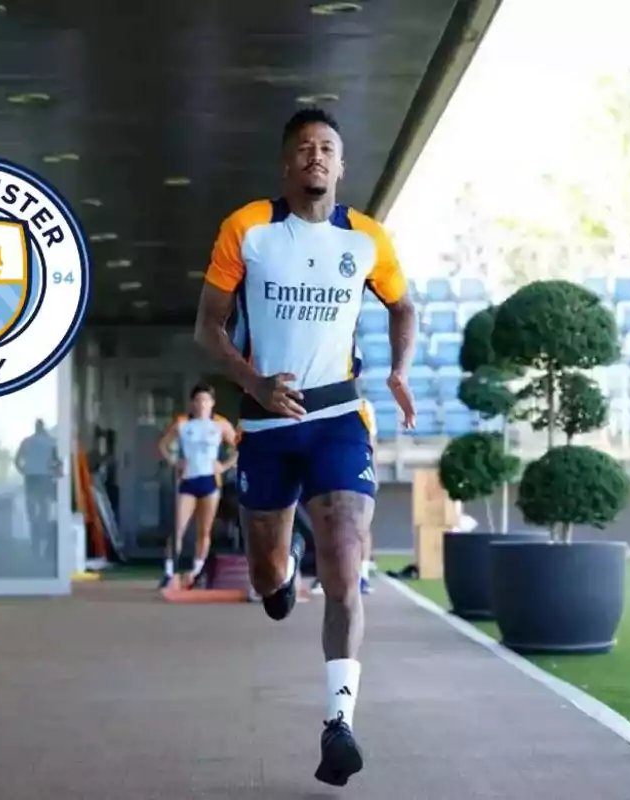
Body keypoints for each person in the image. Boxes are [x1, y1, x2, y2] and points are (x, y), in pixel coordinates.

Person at [193, 107, 417, 787]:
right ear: (287, 164)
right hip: (265, 425)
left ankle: (338, 724)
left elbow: (403, 306)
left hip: (338, 418)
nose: (316, 157)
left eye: (328, 149)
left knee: (346, 564)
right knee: (265, 575)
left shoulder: (368, 240)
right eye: (304, 149)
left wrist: (398, 370)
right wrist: (251, 380)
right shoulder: (248, 229)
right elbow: (208, 325)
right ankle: (280, 576)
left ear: (341, 166)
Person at [156, 384, 238, 589]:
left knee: (205, 530)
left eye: (206, 400)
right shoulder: (183, 423)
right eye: (198, 400)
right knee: (178, 529)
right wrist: (175, 462)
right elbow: (163, 446)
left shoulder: (220, 424)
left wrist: (224, 465)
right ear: (193, 403)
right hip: (188, 481)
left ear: (212, 403)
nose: (202, 404)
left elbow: (240, 447)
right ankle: (169, 571)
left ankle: (196, 570)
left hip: (210, 482)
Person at [311, 392, 377, 597]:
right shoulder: (320, 399)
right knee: (324, 522)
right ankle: (325, 576)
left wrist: (374, 471)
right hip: (326, 463)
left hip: (357, 464)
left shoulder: (364, 406)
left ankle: (363, 576)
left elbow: (372, 442)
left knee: (360, 525)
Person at [13, 419, 62, 558]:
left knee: (32, 513)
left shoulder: (27, 442)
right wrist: (55, 472)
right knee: (44, 513)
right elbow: (58, 461)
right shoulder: (52, 441)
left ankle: (35, 545)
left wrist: (24, 470)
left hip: (31, 478)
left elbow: (17, 461)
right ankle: (43, 543)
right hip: (45, 478)